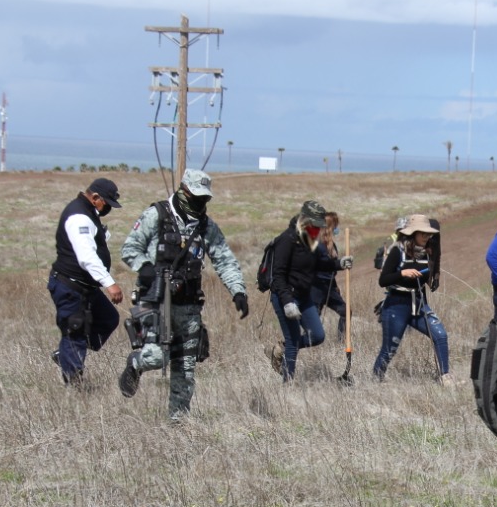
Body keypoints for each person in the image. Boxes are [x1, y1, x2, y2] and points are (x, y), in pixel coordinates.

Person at [118, 169, 249, 419]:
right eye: (196, 197)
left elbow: (224, 259)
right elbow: (130, 248)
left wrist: (238, 291)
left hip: (189, 306)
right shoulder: (156, 215)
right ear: (183, 190)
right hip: (155, 301)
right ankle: (136, 363)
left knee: (186, 368)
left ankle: (178, 423)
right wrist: (146, 269)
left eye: (205, 198)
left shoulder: (205, 225)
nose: (201, 203)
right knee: (156, 357)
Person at [47, 177, 124, 386]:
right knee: (76, 330)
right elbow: (86, 257)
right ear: (95, 197)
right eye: (106, 203)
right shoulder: (79, 216)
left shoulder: (90, 213)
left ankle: (65, 355)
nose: (107, 207)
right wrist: (110, 283)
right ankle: (75, 387)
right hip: (70, 286)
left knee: (108, 319)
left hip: (85, 287)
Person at [266, 199, 351, 381]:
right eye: (314, 225)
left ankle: (278, 349)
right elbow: (278, 275)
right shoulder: (286, 240)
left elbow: (321, 263)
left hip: (304, 297)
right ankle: (287, 383)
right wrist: (288, 301)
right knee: (293, 339)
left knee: (317, 335)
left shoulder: (310, 241)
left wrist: (339, 264)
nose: (317, 230)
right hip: (284, 296)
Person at [372, 214, 451, 382]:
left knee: (440, 335)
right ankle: (376, 380)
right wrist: (402, 273)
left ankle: (445, 377)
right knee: (389, 349)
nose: (427, 237)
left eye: (428, 234)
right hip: (396, 305)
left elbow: (428, 275)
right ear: (412, 233)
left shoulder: (428, 252)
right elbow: (383, 280)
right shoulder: (397, 251)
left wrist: (432, 279)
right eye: (422, 233)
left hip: (419, 304)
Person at [310, 211, 348, 340]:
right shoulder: (317, 245)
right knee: (314, 320)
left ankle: (342, 341)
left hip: (330, 287)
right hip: (316, 287)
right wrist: (340, 264)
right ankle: (303, 344)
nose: (337, 228)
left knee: (346, 311)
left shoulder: (332, 245)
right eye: (336, 225)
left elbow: (331, 268)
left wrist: (335, 285)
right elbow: (323, 265)